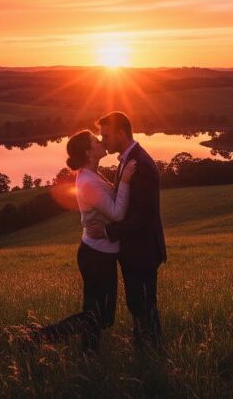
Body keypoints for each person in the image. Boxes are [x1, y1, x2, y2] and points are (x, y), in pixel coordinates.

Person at [28, 129, 136, 352]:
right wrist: (125, 181)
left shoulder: (93, 175)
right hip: (96, 255)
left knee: (95, 313)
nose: (101, 141)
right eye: (96, 140)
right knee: (101, 316)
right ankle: (39, 337)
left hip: (98, 251)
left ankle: (88, 354)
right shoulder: (88, 181)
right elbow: (116, 213)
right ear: (88, 152)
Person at [85, 111, 166, 351]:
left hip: (143, 251)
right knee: (138, 304)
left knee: (144, 306)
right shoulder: (127, 161)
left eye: (107, 136)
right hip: (135, 251)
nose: (104, 141)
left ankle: (152, 354)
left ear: (121, 133)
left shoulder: (140, 165)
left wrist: (107, 232)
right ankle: (145, 351)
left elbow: (143, 217)